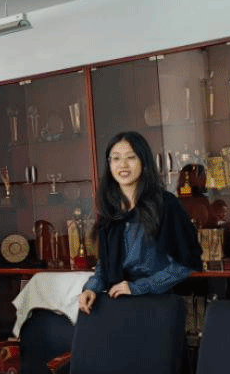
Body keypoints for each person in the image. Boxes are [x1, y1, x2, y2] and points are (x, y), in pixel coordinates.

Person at [78, 131, 201, 313]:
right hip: (118, 305)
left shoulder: (166, 205)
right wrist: (91, 289)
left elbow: (186, 264)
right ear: (109, 165)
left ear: (144, 162)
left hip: (157, 306)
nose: (123, 165)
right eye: (116, 158)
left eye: (131, 157)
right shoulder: (111, 211)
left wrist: (139, 287)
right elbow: (104, 265)